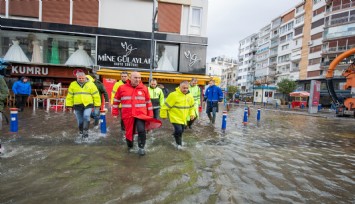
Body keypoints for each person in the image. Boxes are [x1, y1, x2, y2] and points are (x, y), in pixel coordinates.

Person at [112, 71, 161, 156]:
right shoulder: (122, 88)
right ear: (130, 78)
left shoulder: (144, 88)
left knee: (142, 130)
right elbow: (116, 100)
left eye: (139, 78)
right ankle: (129, 146)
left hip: (140, 114)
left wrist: (150, 116)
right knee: (128, 132)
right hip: (128, 115)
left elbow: (148, 103)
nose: (138, 80)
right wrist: (115, 112)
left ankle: (141, 148)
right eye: (135, 78)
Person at [160, 81, 195, 150]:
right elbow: (165, 106)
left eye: (187, 88)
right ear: (179, 87)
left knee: (181, 130)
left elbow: (192, 107)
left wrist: (192, 114)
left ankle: (175, 135)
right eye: (183, 88)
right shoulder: (173, 95)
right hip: (174, 117)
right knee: (179, 130)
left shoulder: (190, 96)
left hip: (183, 118)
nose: (185, 89)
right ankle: (179, 145)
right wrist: (163, 115)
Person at [66, 72, 101, 138]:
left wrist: (97, 105)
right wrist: (69, 105)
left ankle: (85, 132)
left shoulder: (91, 84)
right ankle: (81, 132)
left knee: (86, 116)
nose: (81, 79)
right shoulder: (73, 84)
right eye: (79, 78)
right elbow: (70, 96)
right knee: (80, 121)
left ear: (85, 77)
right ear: (77, 78)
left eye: (82, 78)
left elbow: (96, 95)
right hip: (77, 105)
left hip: (88, 104)